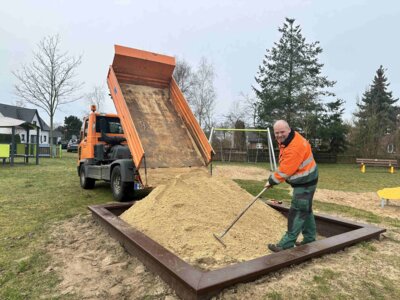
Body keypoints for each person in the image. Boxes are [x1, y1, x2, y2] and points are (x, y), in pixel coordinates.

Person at [265, 120, 318, 252]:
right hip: (307, 178)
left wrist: (271, 181)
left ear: (288, 130)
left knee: (297, 210)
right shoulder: (289, 139)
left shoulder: (295, 146)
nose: (279, 135)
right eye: (276, 133)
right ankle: (310, 238)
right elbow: (286, 165)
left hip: (306, 182)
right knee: (305, 209)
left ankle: (286, 244)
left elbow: (286, 170)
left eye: (282, 132)